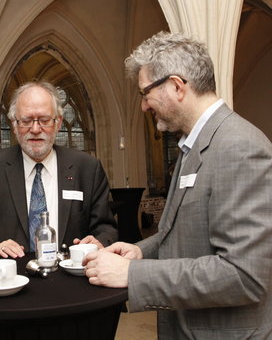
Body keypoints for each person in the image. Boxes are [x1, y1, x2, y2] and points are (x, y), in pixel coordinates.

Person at [84, 32, 272, 339]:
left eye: (145, 93)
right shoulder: (193, 146)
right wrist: (140, 251)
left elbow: (243, 276)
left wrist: (133, 274)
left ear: (176, 85)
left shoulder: (239, 147)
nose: (144, 106)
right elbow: (183, 234)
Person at [0, 81, 117, 258]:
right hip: (11, 276)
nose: (35, 129)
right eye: (26, 120)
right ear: (14, 124)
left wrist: (99, 241)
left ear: (58, 123)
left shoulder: (87, 168)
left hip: (73, 277)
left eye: (44, 120)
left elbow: (107, 228)